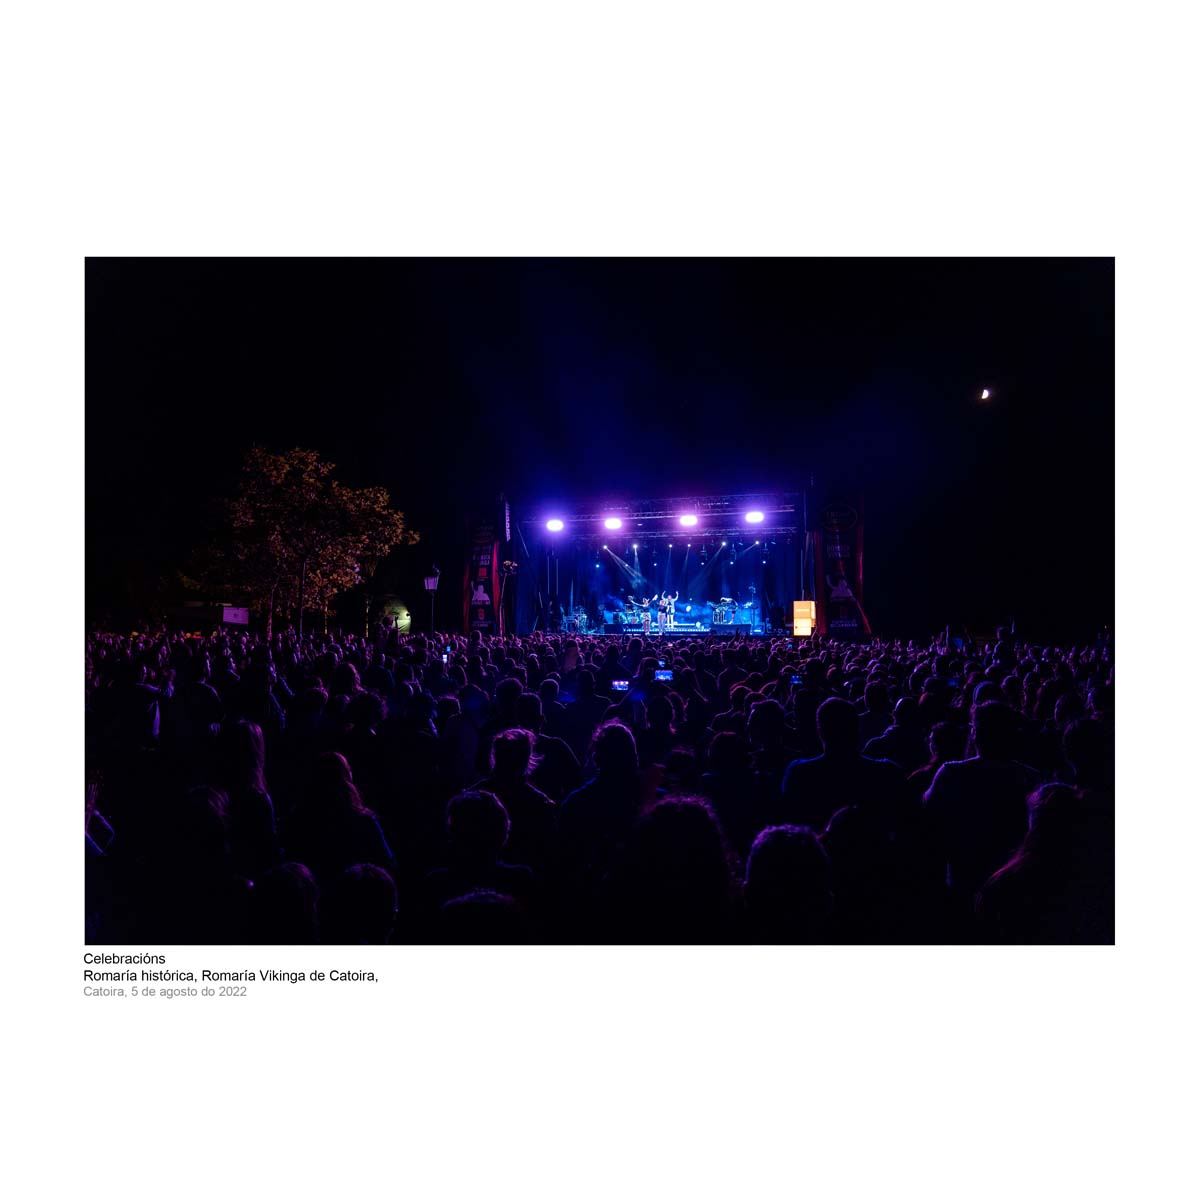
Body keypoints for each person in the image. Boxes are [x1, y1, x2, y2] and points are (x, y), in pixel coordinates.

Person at [922, 701, 1040, 906]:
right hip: (1013, 880)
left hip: (963, 875)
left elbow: (929, 813)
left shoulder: (952, 773)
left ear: (975, 733)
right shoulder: (1031, 778)